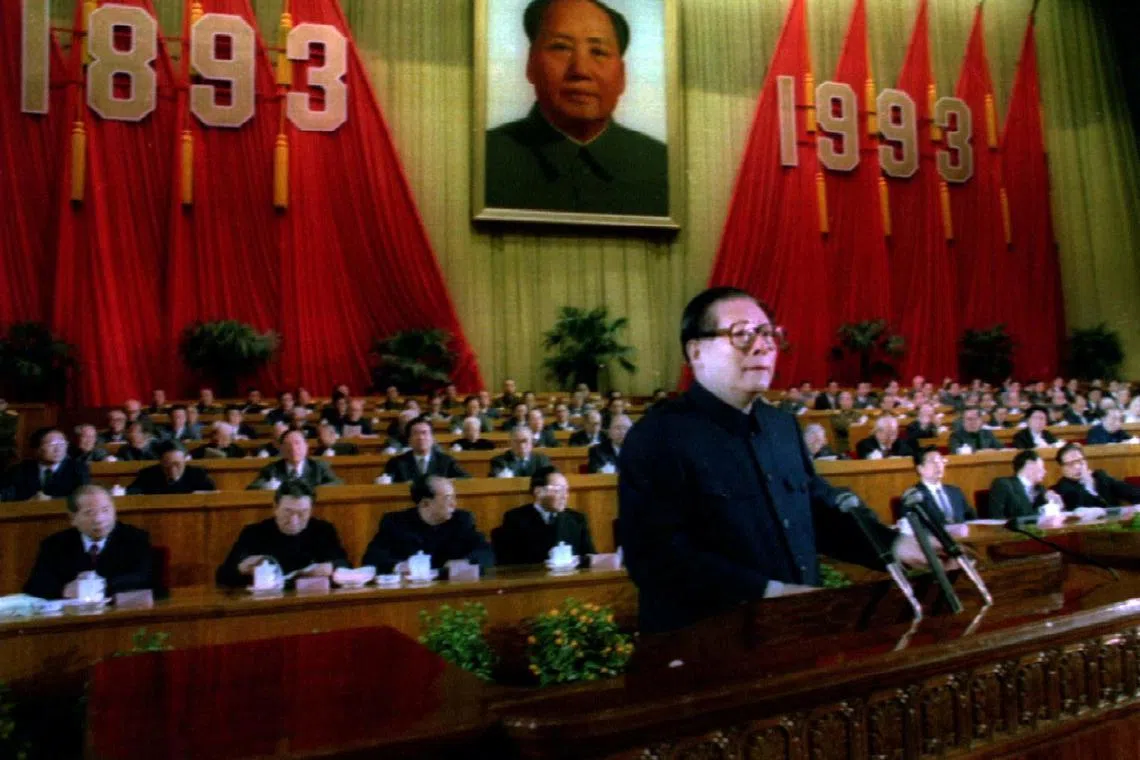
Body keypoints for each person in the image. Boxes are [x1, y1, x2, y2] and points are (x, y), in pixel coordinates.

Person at [619, 287, 938, 633]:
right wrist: (768, 594)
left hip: (798, 628)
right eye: (742, 334)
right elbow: (657, 558)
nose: (763, 346)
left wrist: (895, 545)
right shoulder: (657, 436)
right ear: (696, 352)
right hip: (710, 643)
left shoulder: (781, 426)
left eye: (768, 333)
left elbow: (816, 512)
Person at [484, 0, 667, 216]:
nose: (580, 70)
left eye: (598, 51)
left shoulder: (662, 166)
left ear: (622, 76)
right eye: (561, 47)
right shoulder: (483, 159)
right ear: (530, 64)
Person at [23, 485, 153, 600]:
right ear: (73, 518)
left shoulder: (134, 538)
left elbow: (144, 579)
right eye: (89, 513)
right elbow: (35, 585)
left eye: (105, 510)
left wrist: (98, 585)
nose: (99, 519)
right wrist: (64, 590)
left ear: (115, 511)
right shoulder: (55, 544)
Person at [216, 481, 350, 587]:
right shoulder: (254, 533)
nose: (294, 520)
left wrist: (332, 567)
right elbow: (222, 576)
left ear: (311, 511)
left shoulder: (323, 530)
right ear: (275, 508)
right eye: (288, 512)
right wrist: (241, 568)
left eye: (302, 513)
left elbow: (345, 566)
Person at [361, 476, 494, 576]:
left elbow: (486, 552)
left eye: (454, 497)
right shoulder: (395, 522)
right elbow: (371, 559)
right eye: (448, 498)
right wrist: (400, 566)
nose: (454, 504)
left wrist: (465, 562)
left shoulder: (461, 520)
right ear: (425, 503)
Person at [493, 468, 596, 565]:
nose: (565, 496)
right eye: (558, 490)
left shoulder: (577, 519)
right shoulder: (515, 519)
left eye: (566, 490)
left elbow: (591, 557)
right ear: (538, 492)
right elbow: (509, 564)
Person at [1, 428, 90, 501]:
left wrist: (52, 500)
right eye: (52, 444)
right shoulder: (20, 469)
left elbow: (83, 498)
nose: (58, 449)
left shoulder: (78, 468)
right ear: (37, 449)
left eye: (62, 443)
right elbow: (6, 494)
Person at [1052, 443, 1140, 509]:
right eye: (1070, 464)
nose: (1077, 466)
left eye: (1080, 461)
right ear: (1062, 468)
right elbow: (1084, 508)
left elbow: (1129, 491)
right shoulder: (1063, 488)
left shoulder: (1099, 476)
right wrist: (1089, 486)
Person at [383, 416, 470, 483]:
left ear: (432, 438)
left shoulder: (446, 460)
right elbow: (385, 483)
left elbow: (467, 479)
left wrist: (446, 482)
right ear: (409, 440)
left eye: (424, 433)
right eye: (415, 433)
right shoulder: (396, 463)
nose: (421, 437)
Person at [247, 430, 342, 490]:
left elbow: (338, 483)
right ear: (282, 449)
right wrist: (267, 486)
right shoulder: (272, 469)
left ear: (306, 446)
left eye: (297, 443)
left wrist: (315, 489)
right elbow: (252, 488)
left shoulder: (319, 466)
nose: (293, 448)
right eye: (288, 445)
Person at [904, 446, 976, 525]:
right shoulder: (912, 496)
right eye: (932, 462)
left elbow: (972, 519)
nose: (938, 465)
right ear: (920, 469)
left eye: (940, 460)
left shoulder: (955, 492)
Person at [987, 450, 1063, 519]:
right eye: (1042, 467)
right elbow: (996, 517)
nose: (1045, 471)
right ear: (1029, 464)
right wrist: (1042, 511)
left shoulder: (1041, 489)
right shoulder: (1003, 485)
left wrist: (1056, 504)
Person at [126, 441, 217, 495]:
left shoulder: (198, 474)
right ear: (161, 462)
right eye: (167, 464)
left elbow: (212, 494)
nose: (173, 469)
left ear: (184, 461)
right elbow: (132, 493)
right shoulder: (147, 474)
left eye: (177, 464)